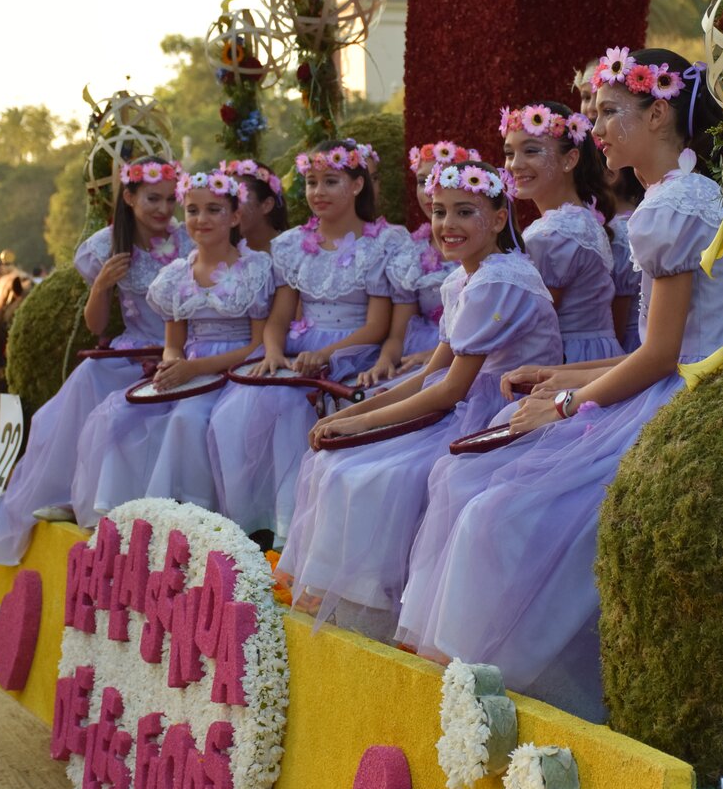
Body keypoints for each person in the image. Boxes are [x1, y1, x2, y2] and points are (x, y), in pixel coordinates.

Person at [395, 47, 723, 721]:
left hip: (697, 400)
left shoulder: (672, 206)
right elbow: (671, 348)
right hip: (688, 377)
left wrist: (565, 402)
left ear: (658, 114)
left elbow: (661, 358)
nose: (595, 128)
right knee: (474, 487)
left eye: (608, 112)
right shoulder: (677, 196)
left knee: (495, 512)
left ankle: (503, 695)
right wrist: (558, 374)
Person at [275, 159, 562, 641]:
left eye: (464, 212)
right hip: (465, 401)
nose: (447, 225)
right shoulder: (463, 279)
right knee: (334, 465)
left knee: (377, 477)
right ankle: (357, 609)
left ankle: (381, 614)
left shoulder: (501, 280)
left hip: (501, 409)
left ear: (497, 218)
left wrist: (362, 426)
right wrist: (357, 412)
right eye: (439, 212)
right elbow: (433, 372)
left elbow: (451, 389)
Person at [0, 157, 191, 566]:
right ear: (129, 198)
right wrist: (103, 285)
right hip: (133, 349)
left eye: (170, 199)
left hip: (183, 350)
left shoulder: (188, 241)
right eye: (153, 199)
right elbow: (96, 326)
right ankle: (70, 494)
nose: (164, 210)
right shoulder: (106, 246)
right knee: (89, 378)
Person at [205, 140, 399, 543]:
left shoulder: (382, 243)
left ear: (358, 185)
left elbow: (377, 326)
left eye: (331, 181)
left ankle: (299, 529)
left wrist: (325, 354)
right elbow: (278, 318)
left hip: (353, 353)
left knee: (295, 408)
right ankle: (258, 524)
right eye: (311, 182)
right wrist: (274, 352)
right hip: (298, 354)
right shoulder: (292, 245)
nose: (317, 192)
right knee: (238, 409)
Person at [70, 168, 272, 525]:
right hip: (191, 373)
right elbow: (173, 344)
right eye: (193, 210)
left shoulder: (255, 269)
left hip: (238, 372)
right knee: (123, 416)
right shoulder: (175, 276)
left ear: (236, 216)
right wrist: (172, 366)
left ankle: (199, 515)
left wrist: (193, 369)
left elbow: (257, 345)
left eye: (214, 210)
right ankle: (126, 518)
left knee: (188, 418)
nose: (201, 219)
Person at [504, 101, 623, 363]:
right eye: (509, 153)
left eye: (531, 151)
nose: (515, 164)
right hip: (596, 355)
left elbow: (530, 328)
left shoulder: (554, 235)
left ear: (569, 159)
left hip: (565, 362)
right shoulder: (579, 220)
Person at [357, 141, 479, 389]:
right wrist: (384, 360)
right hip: (418, 356)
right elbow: (397, 336)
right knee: (373, 394)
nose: (429, 191)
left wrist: (437, 357)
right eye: (422, 181)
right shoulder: (410, 256)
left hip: (474, 362)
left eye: (440, 179)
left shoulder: (483, 249)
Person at [603, 165, 645, 352]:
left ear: (611, 174)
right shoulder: (638, 218)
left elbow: (617, 326)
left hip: (630, 346)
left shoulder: (618, 234)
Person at [221, 158, 288, 251]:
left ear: (267, 205)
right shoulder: (225, 257)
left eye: (237, 197)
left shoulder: (296, 248)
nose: (228, 208)